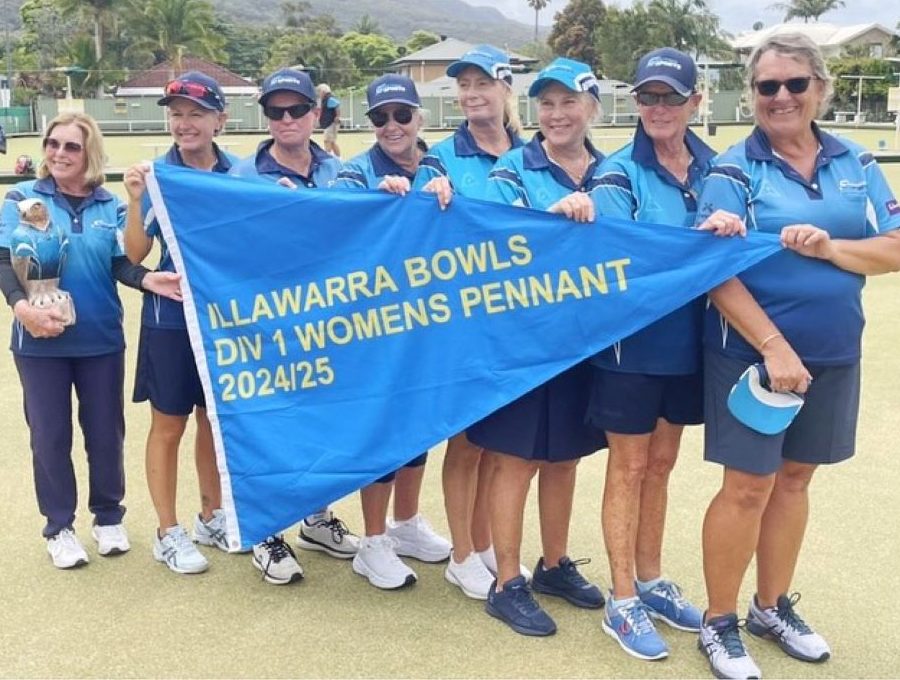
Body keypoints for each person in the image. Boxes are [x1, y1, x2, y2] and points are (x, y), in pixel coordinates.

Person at [693, 33, 900, 679]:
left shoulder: (857, 162)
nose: (780, 97)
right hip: (753, 358)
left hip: (835, 350)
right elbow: (715, 269)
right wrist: (774, 346)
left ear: (820, 88)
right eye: (766, 87)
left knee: (795, 481)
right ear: (752, 94)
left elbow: (893, 246)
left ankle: (770, 606)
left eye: (794, 84)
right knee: (748, 487)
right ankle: (719, 623)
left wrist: (831, 249)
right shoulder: (733, 167)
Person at [463, 57, 608, 636]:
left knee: (565, 457)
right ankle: (506, 581)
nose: (556, 114)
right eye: (545, 103)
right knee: (515, 461)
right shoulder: (511, 169)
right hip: (520, 344)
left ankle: (552, 563)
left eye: (568, 101)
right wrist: (550, 218)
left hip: (583, 341)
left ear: (592, 107)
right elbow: (495, 238)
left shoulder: (612, 172)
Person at [0, 112, 180, 569]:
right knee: (50, 436)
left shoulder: (111, 206)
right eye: (53, 143)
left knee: (105, 434)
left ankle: (108, 518)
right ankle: (59, 526)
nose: (59, 153)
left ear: (90, 154)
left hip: (101, 341)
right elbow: (4, 262)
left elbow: (121, 264)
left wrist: (148, 280)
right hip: (40, 342)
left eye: (71, 146)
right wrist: (22, 309)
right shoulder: (21, 198)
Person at [587, 48, 712, 660]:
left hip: (694, 347)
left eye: (670, 97)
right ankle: (622, 599)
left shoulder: (719, 167)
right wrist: (700, 245)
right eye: (648, 97)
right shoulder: (616, 172)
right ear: (635, 103)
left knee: (661, 466)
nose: (658, 108)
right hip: (630, 349)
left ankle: (651, 578)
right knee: (629, 468)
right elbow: (626, 260)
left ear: (695, 102)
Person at [230, 68, 359, 585]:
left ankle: (316, 517)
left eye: (296, 110)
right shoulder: (242, 176)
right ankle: (266, 531)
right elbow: (231, 249)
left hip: (325, 324)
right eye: (275, 111)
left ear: (314, 114)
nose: (286, 120)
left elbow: (359, 234)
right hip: (265, 326)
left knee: (321, 424)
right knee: (271, 424)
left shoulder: (338, 170)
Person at [412, 44, 528, 602]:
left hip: (518, 323)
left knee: (496, 444)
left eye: (483, 83)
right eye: (464, 86)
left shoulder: (532, 154)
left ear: (506, 88)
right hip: (461, 324)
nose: (472, 94)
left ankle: (482, 543)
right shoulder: (440, 157)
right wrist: (423, 196)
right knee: (465, 441)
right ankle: (462, 554)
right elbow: (411, 227)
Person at [332, 74, 451, 589]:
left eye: (402, 115)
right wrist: (372, 202)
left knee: (419, 424)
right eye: (380, 118)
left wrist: (448, 194)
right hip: (373, 324)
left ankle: (405, 524)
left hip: (426, 320)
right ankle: (373, 540)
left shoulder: (439, 165)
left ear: (419, 118)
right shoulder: (356, 171)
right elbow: (331, 213)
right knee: (381, 428)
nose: (391, 126)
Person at [122, 72, 240, 576]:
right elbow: (134, 253)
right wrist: (132, 200)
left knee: (211, 420)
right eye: (176, 114)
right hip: (169, 319)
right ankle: (167, 531)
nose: (184, 123)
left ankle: (210, 516)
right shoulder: (157, 176)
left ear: (220, 119)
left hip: (225, 320)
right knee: (168, 423)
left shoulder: (241, 174)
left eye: (195, 113)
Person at [316, 83, 341, 157]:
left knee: (328, 141)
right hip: (329, 123)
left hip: (331, 123)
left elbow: (337, 105)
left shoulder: (329, 98)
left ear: (323, 91)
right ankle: (338, 158)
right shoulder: (325, 99)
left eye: (319, 91)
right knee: (331, 142)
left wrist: (337, 116)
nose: (319, 94)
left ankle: (329, 158)